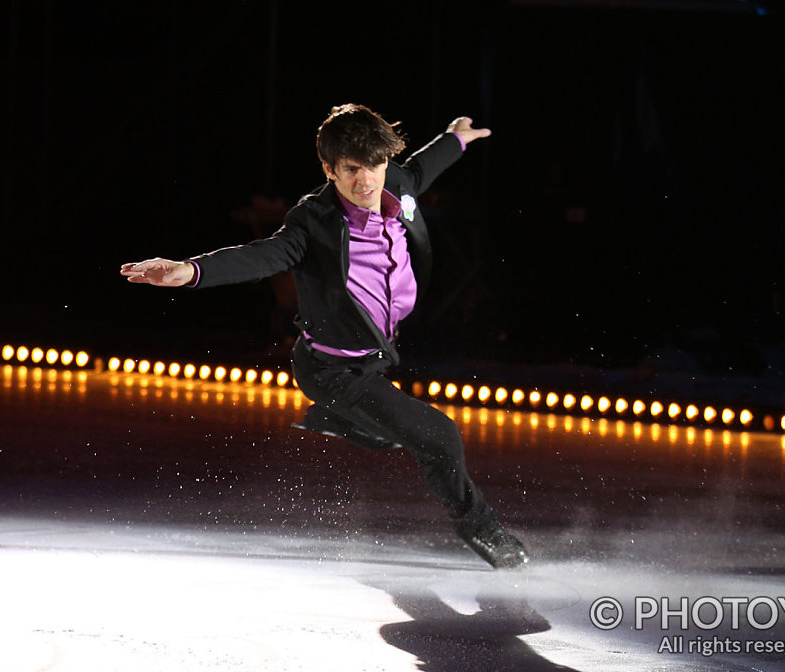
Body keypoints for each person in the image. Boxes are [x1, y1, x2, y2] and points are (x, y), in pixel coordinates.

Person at [120, 104, 528, 568]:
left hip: (374, 357)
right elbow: (264, 255)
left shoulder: (395, 182)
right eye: (351, 169)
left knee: (396, 432)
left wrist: (455, 137)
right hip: (332, 369)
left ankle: (349, 422)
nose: (366, 181)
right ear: (330, 170)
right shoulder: (313, 222)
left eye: (374, 165)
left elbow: (420, 168)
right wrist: (191, 271)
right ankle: (486, 534)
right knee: (439, 437)